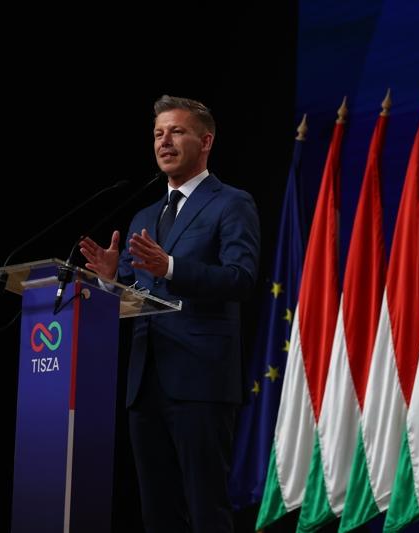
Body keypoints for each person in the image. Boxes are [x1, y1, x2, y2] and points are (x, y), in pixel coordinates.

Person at [79, 95, 260, 532]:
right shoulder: (145, 215)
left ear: (206, 141)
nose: (165, 141)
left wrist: (172, 267)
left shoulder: (231, 203)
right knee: (158, 513)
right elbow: (135, 294)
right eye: (158, 133)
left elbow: (240, 278)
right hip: (146, 383)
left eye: (177, 131)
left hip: (201, 379)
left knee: (206, 508)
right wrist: (110, 280)